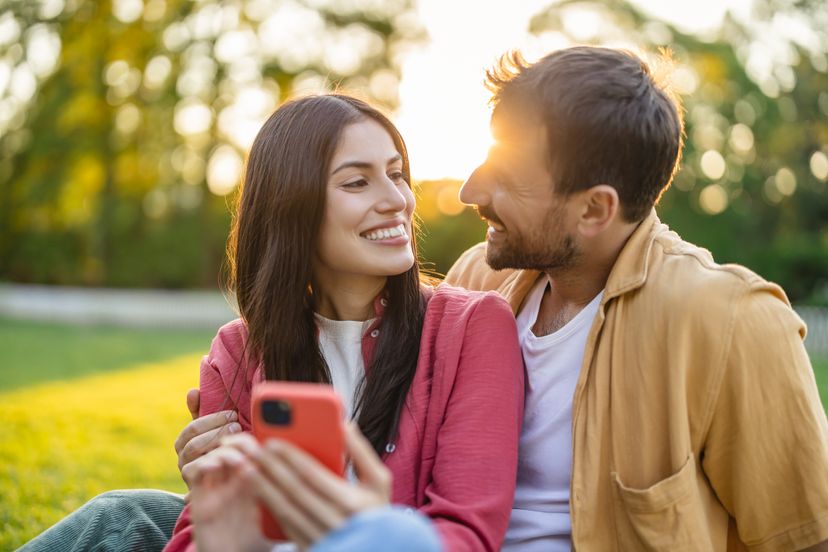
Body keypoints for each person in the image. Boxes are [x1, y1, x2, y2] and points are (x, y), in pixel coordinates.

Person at [23, 45, 828, 551]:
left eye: (505, 179)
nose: (461, 192)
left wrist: (365, 526)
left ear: (594, 209)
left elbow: (804, 533)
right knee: (123, 515)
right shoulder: (491, 278)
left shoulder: (726, 322)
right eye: (363, 179)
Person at [21, 94, 524, 552]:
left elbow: (466, 535)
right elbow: (203, 537)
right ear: (292, 206)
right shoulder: (239, 350)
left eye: (397, 174)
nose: (398, 199)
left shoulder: (472, 327)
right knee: (120, 517)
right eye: (357, 181)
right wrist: (216, 497)